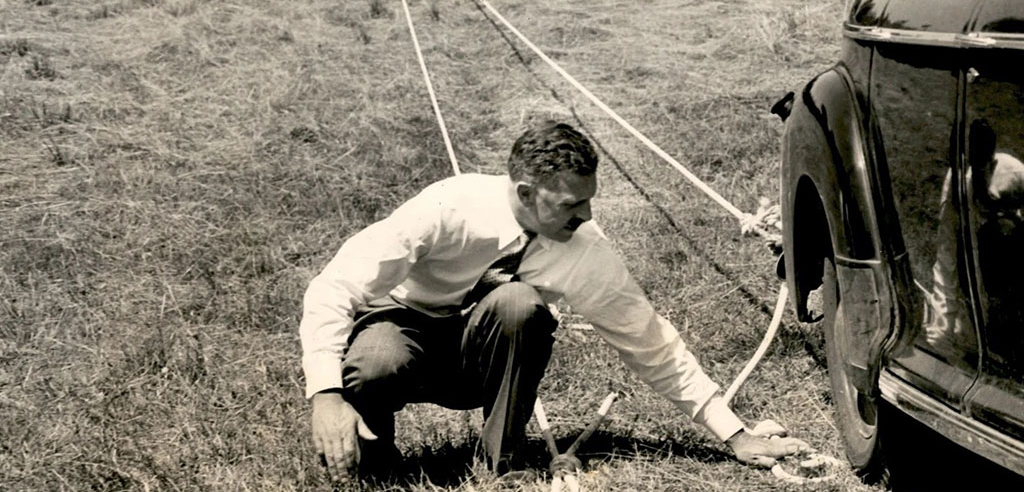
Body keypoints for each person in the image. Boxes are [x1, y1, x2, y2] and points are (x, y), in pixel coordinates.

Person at [301, 121, 808, 483]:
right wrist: (325, 394)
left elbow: (646, 337)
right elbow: (333, 288)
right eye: (571, 204)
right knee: (376, 361)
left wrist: (733, 433)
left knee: (520, 305)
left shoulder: (583, 246)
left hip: (479, 355)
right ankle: (375, 464)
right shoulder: (445, 208)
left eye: (589, 199)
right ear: (526, 193)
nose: (586, 216)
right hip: (402, 331)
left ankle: (501, 465)